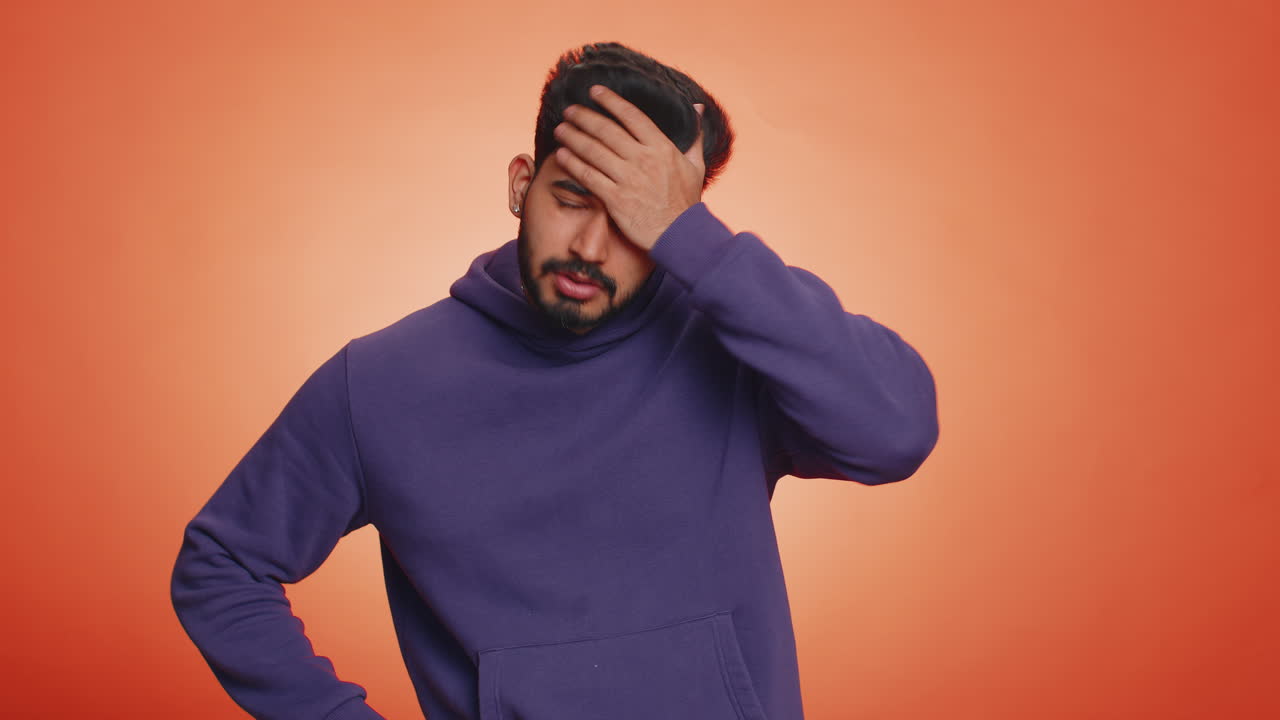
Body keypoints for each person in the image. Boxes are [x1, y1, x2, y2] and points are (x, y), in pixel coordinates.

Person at [170, 41, 940, 720]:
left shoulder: (731, 343)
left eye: (638, 222)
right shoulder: (378, 384)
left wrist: (695, 244)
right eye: (570, 201)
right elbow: (221, 563)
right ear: (520, 185)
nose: (592, 247)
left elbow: (896, 431)